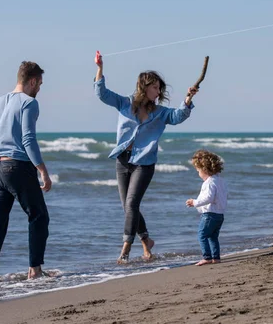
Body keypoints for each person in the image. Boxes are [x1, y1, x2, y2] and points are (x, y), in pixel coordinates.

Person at [94, 51, 198, 264]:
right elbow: (102, 93)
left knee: (131, 204)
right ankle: (146, 242)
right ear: (144, 86)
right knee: (128, 207)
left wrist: (188, 99)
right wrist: (100, 68)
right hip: (122, 160)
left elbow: (178, 116)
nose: (158, 92)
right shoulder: (124, 103)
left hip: (144, 163)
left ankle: (124, 250)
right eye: (155, 87)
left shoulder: (161, 112)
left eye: (160, 88)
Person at [0, 61, 52, 284]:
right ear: (32, 81)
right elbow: (28, 139)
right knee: (39, 215)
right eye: (39, 84)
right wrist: (43, 170)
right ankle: (35, 270)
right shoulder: (29, 103)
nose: (39, 89)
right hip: (17, 166)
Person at [186, 150, 228, 266]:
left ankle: (207, 257)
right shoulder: (220, 181)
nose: (198, 173)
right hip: (220, 214)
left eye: (198, 171)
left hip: (210, 214)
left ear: (204, 169)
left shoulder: (209, 183)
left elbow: (208, 198)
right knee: (213, 236)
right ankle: (216, 257)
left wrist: (194, 202)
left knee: (202, 234)